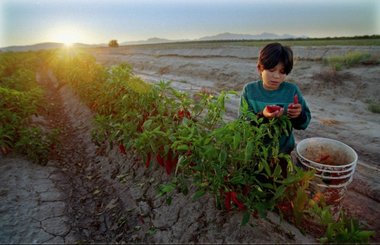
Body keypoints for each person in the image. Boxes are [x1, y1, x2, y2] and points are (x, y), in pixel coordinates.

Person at [239, 42, 311, 176]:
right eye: (271, 70)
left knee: (279, 184)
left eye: (282, 72)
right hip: (256, 152)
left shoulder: (292, 91)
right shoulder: (250, 90)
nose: (277, 76)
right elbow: (244, 124)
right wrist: (263, 116)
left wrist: (298, 115)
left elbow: (304, 124)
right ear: (260, 68)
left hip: (282, 154)